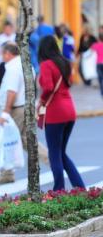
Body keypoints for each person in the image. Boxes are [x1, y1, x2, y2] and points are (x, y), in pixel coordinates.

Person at [0, 42, 48, 185]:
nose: (2, 57)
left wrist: (5, 112)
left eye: (3, 54)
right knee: (27, 140)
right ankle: (52, 161)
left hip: (16, 109)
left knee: (8, 139)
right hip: (26, 106)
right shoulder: (26, 65)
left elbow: (12, 92)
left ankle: (7, 173)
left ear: (8, 54)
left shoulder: (13, 68)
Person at [38, 36, 85, 191]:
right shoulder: (64, 62)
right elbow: (70, 82)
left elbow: (48, 87)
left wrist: (42, 100)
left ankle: (59, 190)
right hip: (69, 110)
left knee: (54, 153)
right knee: (61, 152)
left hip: (55, 113)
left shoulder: (45, 65)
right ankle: (80, 187)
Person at [0, 21, 16, 87]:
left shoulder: (15, 37)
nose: (7, 30)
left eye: (9, 29)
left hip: (13, 63)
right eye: (6, 29)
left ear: (11, 29)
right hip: (2, 63)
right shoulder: (0, 38)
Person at [91, 32, 103, 97]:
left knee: (100, 78)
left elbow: (91, 49)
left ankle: (102, 91)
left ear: (99, 38)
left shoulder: (96, 45)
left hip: (98, 63)